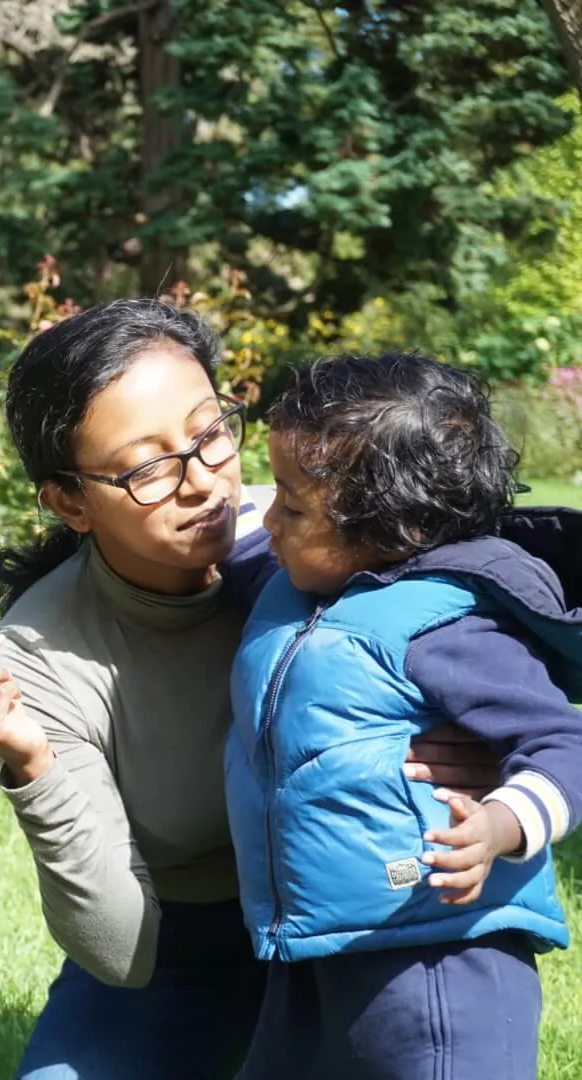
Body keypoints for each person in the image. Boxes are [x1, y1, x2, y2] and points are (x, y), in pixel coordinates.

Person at [0, 300, 498, 1080]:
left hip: (362, 919)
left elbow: (487, 599)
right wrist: (34, 770)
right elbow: (120, 952)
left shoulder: (312, 527)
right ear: (70, 502)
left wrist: (483, 753)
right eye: (147, 468)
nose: (205, 483)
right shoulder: (41, 659)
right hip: (186, 950)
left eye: (209, 434)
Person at [225, 352, 582, 1080]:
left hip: (441, 958)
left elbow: (561, 741)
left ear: (399, 526)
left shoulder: (447, 625)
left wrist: (500, 825)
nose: (271, 521)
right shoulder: (300, 584)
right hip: (316, 951)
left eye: (292, 507)